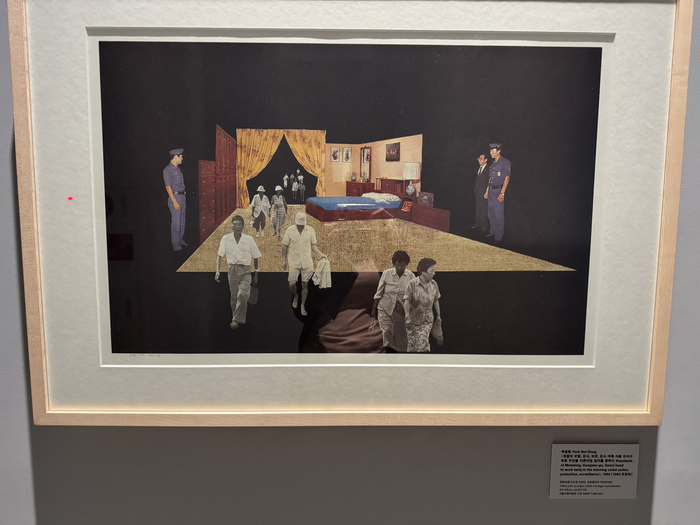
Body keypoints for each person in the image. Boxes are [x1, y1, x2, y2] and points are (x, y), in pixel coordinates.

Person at [215, 215, 261, 329]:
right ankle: (235, 319)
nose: (236, 226)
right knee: (234, 297)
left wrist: (256, 274)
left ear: (243, 226)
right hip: (232, 270)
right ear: (231, 226)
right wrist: (217, 271)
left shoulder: (249, 239)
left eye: (239, 224)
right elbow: (220, 256)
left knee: (242, 295)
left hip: (246, 271)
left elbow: (256, 256)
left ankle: (236, 320)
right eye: (234, 224)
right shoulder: (226, 238)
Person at [282, 212, 327, 316]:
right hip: (294, 261)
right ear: (295, 222)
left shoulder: (310, 230)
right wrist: (284, 260)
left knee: (305, 284)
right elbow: (284, 245)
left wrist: (321, 255)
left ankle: (303, 305)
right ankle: (295, 296)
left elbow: (313, 246)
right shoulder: (290, 230)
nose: (300, 227)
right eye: (299, 225)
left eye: (302, 225)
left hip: (307, 262)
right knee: (291, 283)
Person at [371, 251, 414, 352]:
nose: (399, 268)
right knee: (387, 332)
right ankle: (389, 354)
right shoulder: (387, 273)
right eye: (397, 265)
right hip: (385, 307)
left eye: (402, 266)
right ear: (393, 264)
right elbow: (378, 293)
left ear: (407, 264)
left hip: (401, 310)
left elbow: (413, 295)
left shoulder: (411, 276)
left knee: (400, 336)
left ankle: (397, 356)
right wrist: (373, 309)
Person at [404, 258, 442, 353]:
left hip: (427, 320)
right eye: (432, 271)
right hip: (413, 321)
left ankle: (423, 360)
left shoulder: (434, 284)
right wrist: (407, 317)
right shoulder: (412, 284)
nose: (434, 273)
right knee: (412, 347)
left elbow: (436, 300)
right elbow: (407, 301)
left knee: (422, 345)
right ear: (423, 272)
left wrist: (438, 316)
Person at [483, 142, 511, 242]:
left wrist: (502, 193)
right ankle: (492, 232)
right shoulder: (492, 164)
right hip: (491, 191)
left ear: (498, 151)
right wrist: (487, 191)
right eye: (490, 151)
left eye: (492, 151)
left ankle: (498, 238)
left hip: (498, 191)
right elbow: (490, 179)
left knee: (498, 215)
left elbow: (507, 178)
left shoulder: (505, 162)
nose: (490, 153)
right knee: (491, 214)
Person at [163, 148, 187, 252]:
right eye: (181, 156)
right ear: (176, 156)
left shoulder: (178, 169)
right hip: (175, 198)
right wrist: (175, 202)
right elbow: (168, 188)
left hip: (182, 197)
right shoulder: (167, 170)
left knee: (182, 222)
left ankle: (180, 239)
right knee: (176, 224)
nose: (182, 158)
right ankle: (175, 245)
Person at [472, 153, 490, 235]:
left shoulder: (488, 169)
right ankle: (478, 223)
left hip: (484, 193)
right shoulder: (479, 168)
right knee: (478, 209)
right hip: (478, 193)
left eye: (481, 159)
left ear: (485, 160)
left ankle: (484, 227)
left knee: (483, 210)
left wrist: (487, 192)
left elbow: (489, 182)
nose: (479, 160)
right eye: (478, 158)